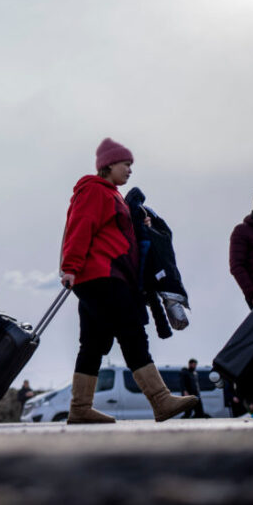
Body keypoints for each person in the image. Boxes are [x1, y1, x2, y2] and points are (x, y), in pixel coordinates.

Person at [60, 138, 198, 424]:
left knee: (93, 343)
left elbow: (118, 235)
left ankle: (79, 408)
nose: (130, 170)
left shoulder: (112, 196)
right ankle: (160, 400)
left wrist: (140, 226)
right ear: (108, 165)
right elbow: (80, 226)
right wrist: (70, 266)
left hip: (101, 277)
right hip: (103, 276)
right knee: (132, 332)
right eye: (126, 164)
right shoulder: (95, 191)